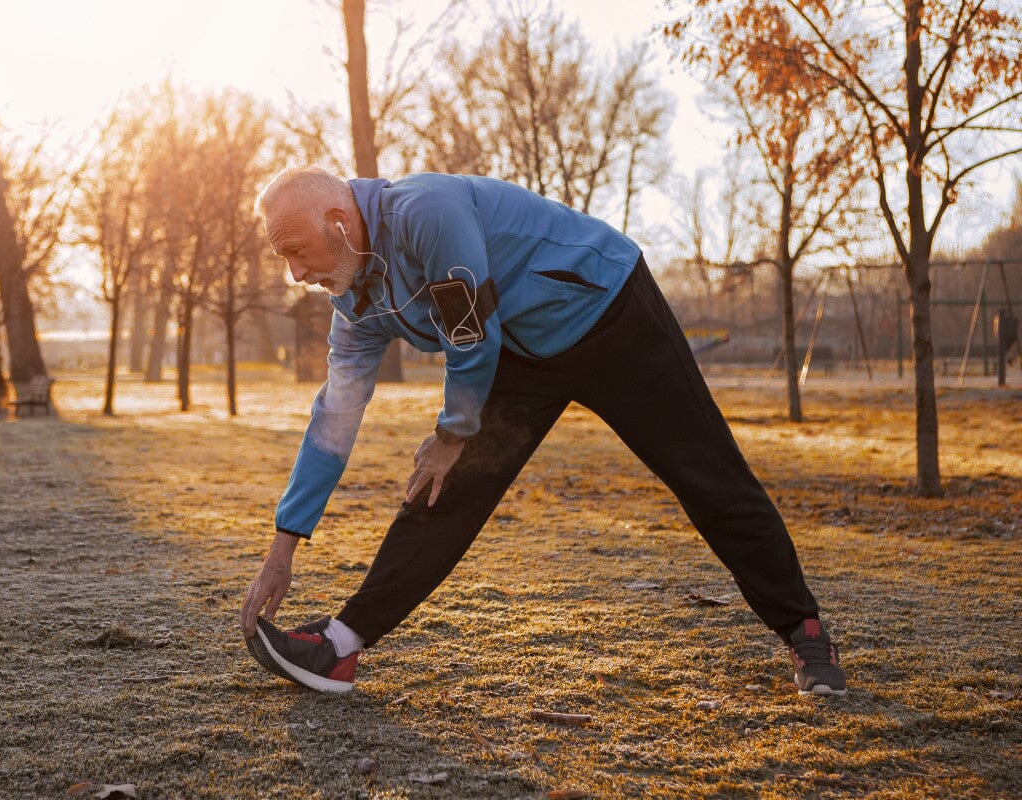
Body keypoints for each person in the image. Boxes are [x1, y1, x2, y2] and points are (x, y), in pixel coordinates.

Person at [240, 167, 848, 697]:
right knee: (441, 489)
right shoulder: (356, 302)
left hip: (610, 314)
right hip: (522, 355)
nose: (295, 274)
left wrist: (452, 433)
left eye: (296, 251)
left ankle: (804, 630)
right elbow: (334, 417)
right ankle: (340, 647)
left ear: (339, 222)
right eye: (283, 259)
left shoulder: (425, 211)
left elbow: (469, 334)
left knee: (707, 477)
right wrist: (284, 545)